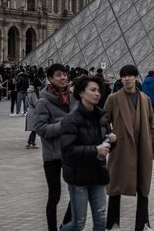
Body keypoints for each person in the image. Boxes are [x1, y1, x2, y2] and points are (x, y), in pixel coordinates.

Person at [104, 65, 154, 231]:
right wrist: (109, 139)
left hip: (143, 147)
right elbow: (103, 122)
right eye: (124, 76)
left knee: (143, 186)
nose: (127, 79)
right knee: (115, 186)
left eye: (130, 75)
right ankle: (113, 223)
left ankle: (143, 223)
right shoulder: (113, 99)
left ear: (136, 77)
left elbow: (152, 125)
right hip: (121, 148)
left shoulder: (145, 99)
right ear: (121, 79)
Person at [60, 75, 117, 231]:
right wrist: (94, 150)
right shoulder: (71, 120)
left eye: (99, 90)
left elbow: (107, 145)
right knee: (78, 223)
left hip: (98, 175)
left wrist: (112, 140)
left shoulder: (102, 117)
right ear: (81, 93)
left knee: (100, 222)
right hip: (79, 177)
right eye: (93, 90)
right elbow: (68, 151)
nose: (97, 93)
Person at [34, 63, 75, 231]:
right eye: (58, 75)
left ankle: (64, 226)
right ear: (50, 78)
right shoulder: (43, 101)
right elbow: (40, 129)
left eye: (65, 74)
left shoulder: (74, 98)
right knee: (54, 196)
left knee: (77, 193)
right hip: (52, 155)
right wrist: (63, 126)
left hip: (71, 152)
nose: (63, 77)